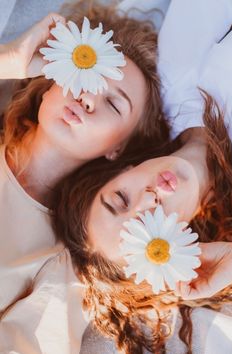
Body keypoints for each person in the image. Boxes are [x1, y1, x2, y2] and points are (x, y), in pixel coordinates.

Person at [51, 0, 232, 352]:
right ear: (173, 252)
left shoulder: (174, 86)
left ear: (123, 170)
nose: (149, 199)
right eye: (148, 231)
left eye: (121, 199)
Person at [0, 1, 169, 352]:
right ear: (50, 82)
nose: (89, 97)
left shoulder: (59, 260)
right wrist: (8, 59)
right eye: (85, 70)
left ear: (119, 149)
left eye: (114, 103)